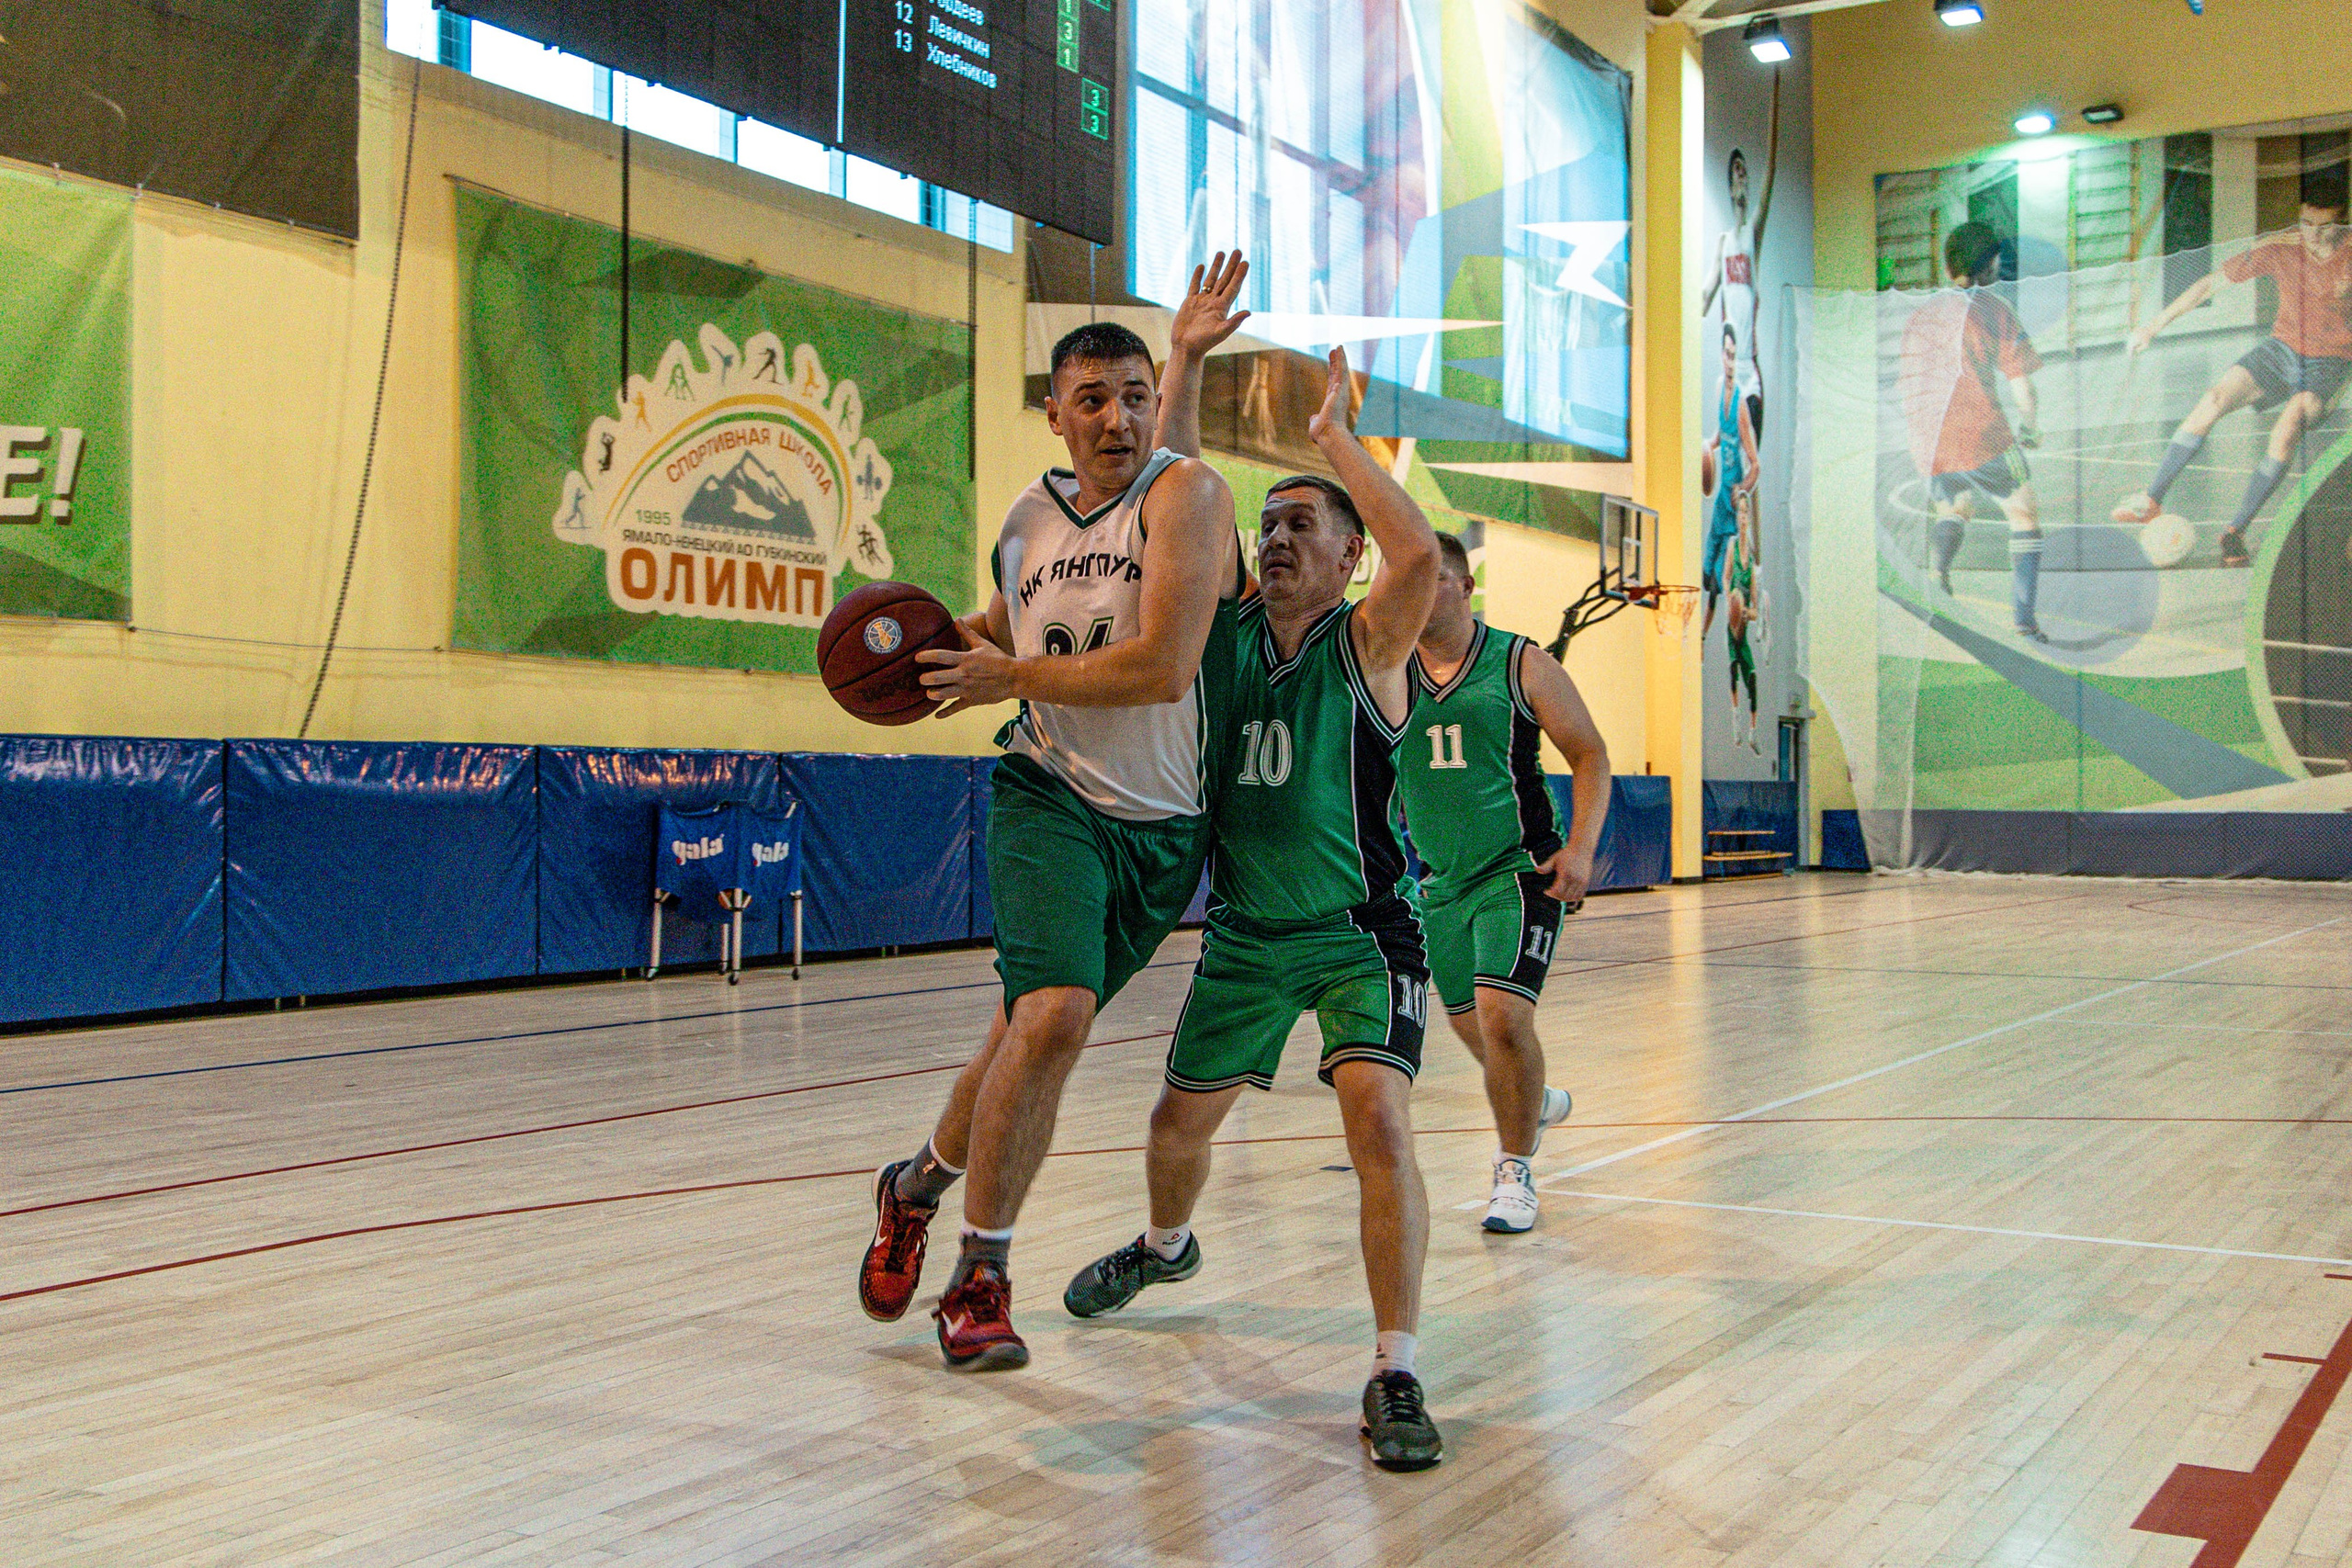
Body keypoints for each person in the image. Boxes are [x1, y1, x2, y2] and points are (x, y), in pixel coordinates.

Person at [854, 254, 1254, 1373]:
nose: (1118, 418)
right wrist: (932, 660)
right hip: (1048, 792)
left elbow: (1169, 666)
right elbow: (1001, 628)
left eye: (1135, 398)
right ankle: (981, 1277)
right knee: (1060, 1016)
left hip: (1164, 829)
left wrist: (1181, 358)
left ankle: (915, 1184)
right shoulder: (1028, 518)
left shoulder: (1193, 497)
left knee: (1020, 1036)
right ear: (1056, 414)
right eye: (1094, 400)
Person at [1060, 346, 1448, 1472]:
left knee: (1376, 1121)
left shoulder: (1368, 645)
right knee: (1173, 1133)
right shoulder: (1221, 632)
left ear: (1346, 558)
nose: (1275, 538)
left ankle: (1394, 1369)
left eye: (1303, 527)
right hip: (1241, 935)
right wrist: (1179, 355)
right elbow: (1173, 478)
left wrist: (1332, 436)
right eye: (1266, 523)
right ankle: (1165, 1244)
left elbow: (1417, 549)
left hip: (1359, 932)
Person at [1393, 530, 1609, 1234]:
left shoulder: (1520, 662)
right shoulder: (1387, 670)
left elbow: (1590, 753)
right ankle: (1532, 1094)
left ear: (1463, 587)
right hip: (1439, 884)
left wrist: (1580, 849)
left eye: (1436, 581)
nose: (1421, 595)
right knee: (1469, 1024)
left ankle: (1514, 1170)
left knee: (1504, 1017)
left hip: (1520, 869)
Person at [2112, 175, 2352, 567]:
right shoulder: (2280, 247)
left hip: (2332, 361)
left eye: (2325, 227)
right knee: (2213, 398)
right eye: (2307, 223)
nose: (2313, 234)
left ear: (2342, 223)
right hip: (2281, 349)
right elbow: (2209, 285)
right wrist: (2152, 326)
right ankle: (2151, 499)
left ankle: (2235, 532)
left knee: (2289, 422)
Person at [1898, 220, 2047, 641]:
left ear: (1949, 268)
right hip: (1983, 433)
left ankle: (1940, 569)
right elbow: (2023, 384)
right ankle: (2024, 620)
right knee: (2024, 517)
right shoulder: (1993, 309)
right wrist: (2030, 427)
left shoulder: (1921, 315)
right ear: (1988, 266)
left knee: (1954, 510)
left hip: (1927, 438)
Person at [1699, 71, 1779, 445]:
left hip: (1751, 364)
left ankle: (1755, 504)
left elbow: (1771, 175)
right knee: (1730, 454)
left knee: (1753, 460)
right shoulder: (1724, 241)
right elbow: (1703, 297)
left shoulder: (1750, 235)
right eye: (1736, 173)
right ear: (1730, 186)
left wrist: (1775, 95)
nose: (1742, 178)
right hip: (1730, 364)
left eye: (1745, 171)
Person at [1701, 324, 1759, 635]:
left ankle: (1716, 634)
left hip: (1731, 503)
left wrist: (1742, 491)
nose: (1730, 360)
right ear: (1721, 355)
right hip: (1719, 498)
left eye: (1735, 355)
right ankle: (1697, 637)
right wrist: (1704, 447)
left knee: (1719, 583)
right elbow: (1719, 437)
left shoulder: (1740, 407)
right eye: (1727, 354)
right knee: (1705, 571)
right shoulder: (1717, 388)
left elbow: (1756, 465)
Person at [1726, 491, 1763, 754]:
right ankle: (1736, 724)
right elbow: (1727, 579)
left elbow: (1755, 607)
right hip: (1732, 625)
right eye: (1740, 511)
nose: (1743, 516)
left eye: (1746, 512)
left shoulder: (1751, 555)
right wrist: (1733, 604)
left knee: (1752, 677)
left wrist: (1749, 612)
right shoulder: (1731, 545)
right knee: (1733, 668)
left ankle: (1752, 733)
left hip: (1744, 627)